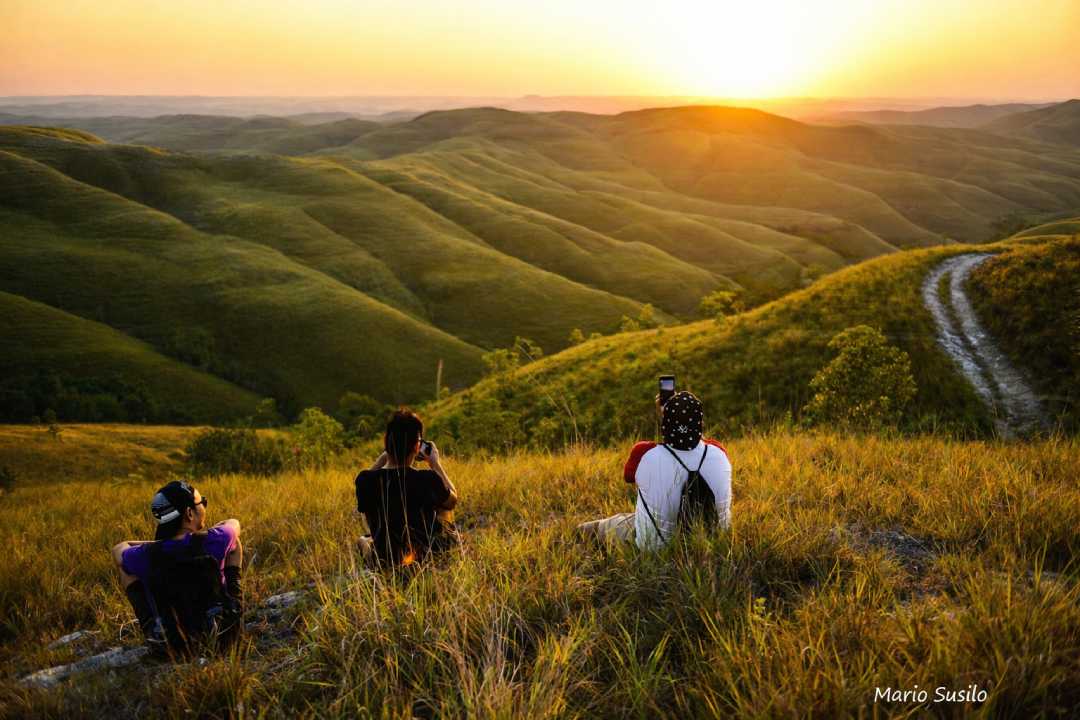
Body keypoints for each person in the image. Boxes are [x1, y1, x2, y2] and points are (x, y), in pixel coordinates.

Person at [578, 391, 731, 549]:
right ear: (700, 424)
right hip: (714, 542)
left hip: (655, 547)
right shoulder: (719, 452)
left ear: (665, 423)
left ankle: (575, 536)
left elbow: (628, 477)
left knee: (599, 527)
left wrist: (668, 414)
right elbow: (698, 444)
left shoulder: (643, 453)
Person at [111, 480, 243, 652]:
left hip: (173, 646)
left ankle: (154, 629)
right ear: (189, 513)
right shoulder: (214, 539)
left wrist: (159, 544)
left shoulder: (147, 554)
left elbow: (118, 549)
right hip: (223, 635)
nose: (204, 504)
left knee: (126, 567)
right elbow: (233, 523)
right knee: (235, 543)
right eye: (201, 502)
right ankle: (234, 606)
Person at [354, 409, 459, 566]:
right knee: (443, 507)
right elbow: (452, 500)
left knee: (363, 539)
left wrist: (384, 457)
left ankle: (372, 551)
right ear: (417, 446)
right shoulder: (427, 479)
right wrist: (435, 464)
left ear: (387, 443)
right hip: (426, 555)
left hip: (386, 557)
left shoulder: (365, 480)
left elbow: (368, 477)